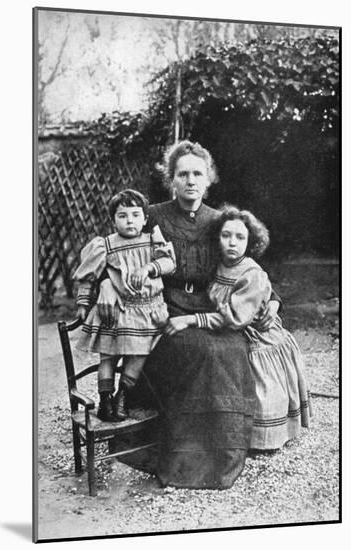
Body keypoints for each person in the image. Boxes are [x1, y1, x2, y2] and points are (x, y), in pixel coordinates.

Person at [97, 141, 280, 489]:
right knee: (200, 352)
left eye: (198, 173)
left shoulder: (219, 221)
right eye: (183, 174)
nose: (191, 181)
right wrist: (107, 283)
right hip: (164, 311)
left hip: (213, 310)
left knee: (230, 350)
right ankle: (185, 458)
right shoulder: (152, 215)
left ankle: (223, 450)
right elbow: (119, 247)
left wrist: (273, 302)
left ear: (209, 178)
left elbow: (245, 268)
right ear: (172, 180)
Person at [188, 205, 311, 449]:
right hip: (232, 324)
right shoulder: (218, 265)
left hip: (257, 332)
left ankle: (265, 437)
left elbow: (236, 315)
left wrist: (194, 320)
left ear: (250, 241)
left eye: (240, 237)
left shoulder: (251, 271)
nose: (232, 243)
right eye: (226, 236)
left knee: (261, 386)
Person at [73, 189, 175, 422]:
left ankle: (123, 397)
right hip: (116, 311)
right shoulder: (106, 245)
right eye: (122, 215)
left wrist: (149, 268)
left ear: (145, 219)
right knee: (108, 357)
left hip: (147, 310)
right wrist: (83, 302)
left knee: (138, 355)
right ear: (113, 220)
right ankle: (105, 400)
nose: (129, 220)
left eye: (135, 215)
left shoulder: (152, 240)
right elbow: (88, 275)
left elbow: (169, 263)